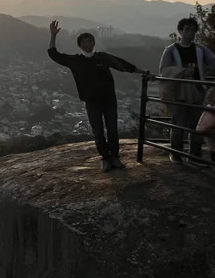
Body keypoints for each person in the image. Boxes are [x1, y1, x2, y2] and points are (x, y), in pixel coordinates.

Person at [48, 21, 144, 172]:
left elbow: (123, 65)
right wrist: (53, 36)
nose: (88, 44)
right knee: (98, 132)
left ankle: (115, 157)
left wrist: (143, 72)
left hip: (109, 100)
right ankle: (105, 158)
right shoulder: (76, 61)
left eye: (91, 41)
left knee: (112, 130)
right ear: (79, 45)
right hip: (92, 102)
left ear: (94, 42)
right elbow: (54, 54)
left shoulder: (103, 57)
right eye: (85, 42)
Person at [159, 17, 215, 164]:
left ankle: (195, 154)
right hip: (178, 91)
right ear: (180, 31)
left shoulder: (200, 50)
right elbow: (163, 70)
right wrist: (182, 71)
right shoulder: (170, 50)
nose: (190, 32)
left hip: (198, 90)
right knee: (178, 123)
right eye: (187, 29)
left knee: (197, 124)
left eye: (193, 30)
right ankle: (176, 153)